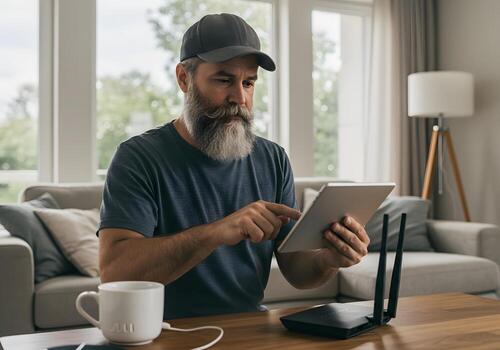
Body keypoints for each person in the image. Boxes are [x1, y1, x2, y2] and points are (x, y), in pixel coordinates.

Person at [98, 13, 370, 320]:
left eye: (249, 82)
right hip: (161, 334)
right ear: (184, 79)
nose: (239, 97)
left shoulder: (273, 159)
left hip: (250, 329)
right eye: (224, 80)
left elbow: (297, 271)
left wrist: (329, 259)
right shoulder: (139, 157)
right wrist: (217, 231)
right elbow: (115, 273)